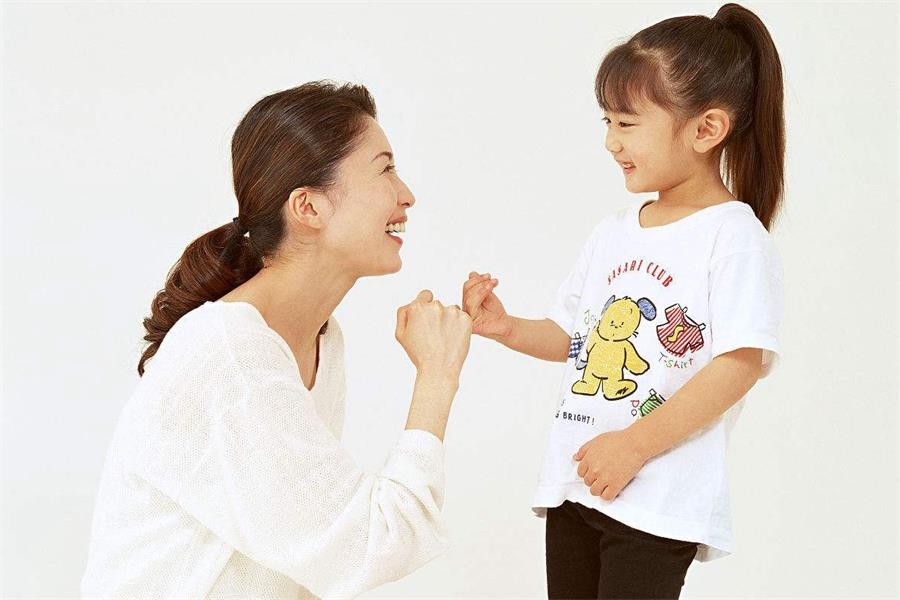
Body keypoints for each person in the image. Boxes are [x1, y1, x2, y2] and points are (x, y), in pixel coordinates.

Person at [81, 81, 473, 599]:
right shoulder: (230, 354)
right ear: (308, 208)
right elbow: (370, 545)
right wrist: (438, 375)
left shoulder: (322, 340)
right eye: (384, 169)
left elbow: (305, 558)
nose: (406, 195)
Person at [462, 4, 786, 598]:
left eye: (627, 123)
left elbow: (740, 364)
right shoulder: (614, 231)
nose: (611, 142)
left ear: (706, 129)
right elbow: (575, 337)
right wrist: (507, 328)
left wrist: (633, 447)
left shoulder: (732, 235)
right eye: (607, 121)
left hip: (655, 499)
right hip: (577, 482)